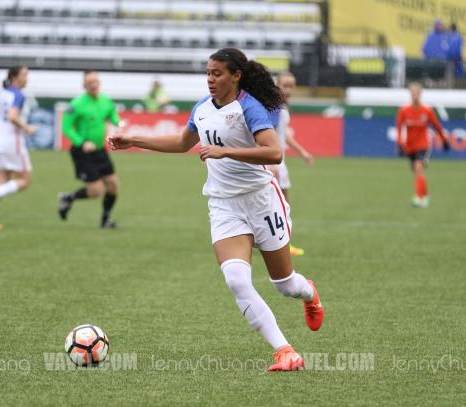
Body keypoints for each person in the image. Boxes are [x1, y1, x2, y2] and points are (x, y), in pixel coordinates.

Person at [108, 48, 324, 372]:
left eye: (217, 73)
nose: (210, 79)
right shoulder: (202, 108)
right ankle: (285, 351)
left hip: (261, 200)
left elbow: (275, 152)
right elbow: (183, 143)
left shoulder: (249, 108)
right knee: (237, 280)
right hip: (224, 205)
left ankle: (310, 294)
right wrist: (135, 140)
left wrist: (226, 152)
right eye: (208, 73)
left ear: (236, 76)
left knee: (285, 284)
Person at [58, 70, 122, 229]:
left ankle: (105, 220)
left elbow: (112, 114)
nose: (94, 85)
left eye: (96, 82)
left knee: (113, 185)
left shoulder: (105, 101)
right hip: (83, 152)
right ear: (84, 85)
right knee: (96, 190)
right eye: (90, 82)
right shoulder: (76, 104)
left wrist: (118, 123)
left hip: (100, 151)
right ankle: (69, 198)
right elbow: (66, 127)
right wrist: (82, 142)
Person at [0, 65, 37, 230]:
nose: (27, 78)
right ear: (14, 77)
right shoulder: (18, 95)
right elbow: (12, 116)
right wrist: (26, 128)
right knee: (25, 181)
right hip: (12, 143)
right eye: (24, 75)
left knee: (3, 180)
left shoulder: (3, 93)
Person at [268, 72, 314, 257]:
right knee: (281, 205)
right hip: (275, 162)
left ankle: (275, 241)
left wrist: (302, 151)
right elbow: (267, 133)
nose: (288, 89)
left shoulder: (281, 106)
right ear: (277, 85)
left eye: (291, 86)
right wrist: (271, 162)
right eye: (285, 85)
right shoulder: (274, 106)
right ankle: (283, 244)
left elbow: (283, 134)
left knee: (278, 204)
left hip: (278, 161)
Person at [396, 82, 450, 208]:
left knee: (418, 166)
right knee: (417, 172)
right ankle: (425, 196)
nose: (414, 95)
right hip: (410, 147)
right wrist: (399, 145)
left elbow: (437, 126)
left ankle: (419, 198)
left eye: (417, 93)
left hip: (424, 146)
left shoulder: (427, 111)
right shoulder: (403, 111)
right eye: (412, 92)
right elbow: (399, 129)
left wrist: (444, 140)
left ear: (420, 94)